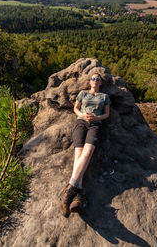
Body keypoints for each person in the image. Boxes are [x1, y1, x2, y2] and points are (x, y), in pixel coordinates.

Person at [60, 73, 111, 217]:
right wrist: (83, 115)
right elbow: (75, 108)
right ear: (90, 82)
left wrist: (97, 117)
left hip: (95, 125)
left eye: (98, 79)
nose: (95, 81)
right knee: (79, 155)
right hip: (81, 122)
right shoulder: (83, 93)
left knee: (87, 153)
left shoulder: (104, 97)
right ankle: (78, 194)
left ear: (100, 83)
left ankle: (69, 190)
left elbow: (107, 114)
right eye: (93, 79)